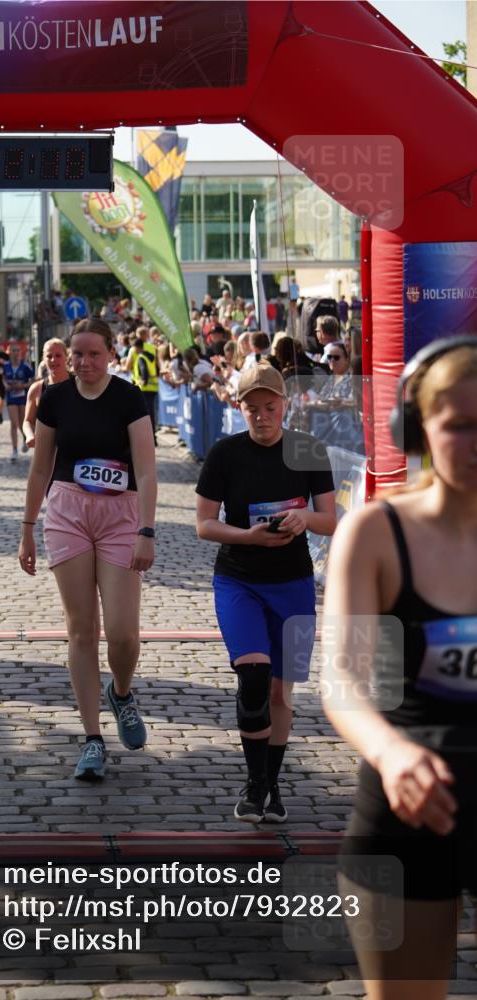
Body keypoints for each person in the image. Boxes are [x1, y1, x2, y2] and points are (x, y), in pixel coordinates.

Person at [322, 335, 477, 997]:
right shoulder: (373, 532)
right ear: (417, 430)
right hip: (405, 813)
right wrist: (390, 754)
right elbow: (343, 679)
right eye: (460, 426)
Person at [195, 363, 336, 823]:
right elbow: (204, 524)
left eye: (270, 407)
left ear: (285, 405)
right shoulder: (224, 455)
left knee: (281, 692)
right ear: (240, 408)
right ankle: (255, 785)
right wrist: (248, 536)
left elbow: (331, 519)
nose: (261, 415)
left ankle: (270, 785)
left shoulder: (308, 449)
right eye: (251, 408)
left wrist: (304, 520)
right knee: (253, 677)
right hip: (239, 580)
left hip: (293, 585)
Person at [18, 317, 156, 781]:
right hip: (67, 515)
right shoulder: (54, 398)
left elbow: (147, 468)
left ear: (111, 354)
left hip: (121, 515)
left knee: (123, 635)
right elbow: (40, 469)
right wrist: (27, 528)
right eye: (77, 354)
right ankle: (93, 737)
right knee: (81, 632)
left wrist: (147, 530)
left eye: (94, 353)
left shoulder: (128, 397)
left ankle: (121, 691)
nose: (84, 362)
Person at [22, 338, 71, 449]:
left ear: (66, 357)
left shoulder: (79, 385)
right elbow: (28, 421)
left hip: (74, 450)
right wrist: (30, 435)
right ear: (43, 359)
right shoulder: (37, 389)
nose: (53, 360)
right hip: (46, 449)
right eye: (49, 356)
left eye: (58, 355)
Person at [3, 342, 34, 461]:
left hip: (22, 397)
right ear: (9, 352)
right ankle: (14, 450)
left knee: (22, 423)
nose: (15, 353)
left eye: (17, 351)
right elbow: (3, 379)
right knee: (13, 423)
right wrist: (6, 385)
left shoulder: (25, 366)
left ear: (20, 353)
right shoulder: (6, 366)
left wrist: (23, 385)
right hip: (11, 397)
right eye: (13, 351)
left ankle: (26, 438)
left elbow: (33, 381)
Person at [128, 332, 159, 446]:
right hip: (153, 388)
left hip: (145, 389)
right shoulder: (150, 356)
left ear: (137, 347)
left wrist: (143, 381)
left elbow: (143, 370)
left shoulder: (141, 357)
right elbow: (156, 369)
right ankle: (153, 437)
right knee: (151, 414)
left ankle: (150, 439)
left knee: (146, 415)